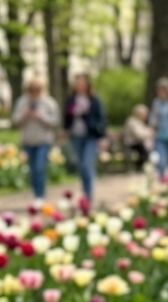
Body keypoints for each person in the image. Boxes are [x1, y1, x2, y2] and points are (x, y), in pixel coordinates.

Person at [12, 77, 60, 200]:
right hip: (27, 141)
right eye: (31, 89)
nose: (34, 92)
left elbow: (55, 122)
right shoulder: (22, 102)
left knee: (39, 168)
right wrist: (24, 115)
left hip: (43, 141)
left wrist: (41, 117)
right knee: (33, 170)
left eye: (37, 89)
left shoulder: (49, 102)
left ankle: (40, 196)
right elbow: (15, 122)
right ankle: (36, 195)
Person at [64, 74, 106, 208]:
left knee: (87, 165)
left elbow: (101, 119)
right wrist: (65, 129)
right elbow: (66, 118)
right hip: (76, 136)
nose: (80, 86)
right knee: (81, 166)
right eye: (78, 83)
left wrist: (102, 137)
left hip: (91, 136)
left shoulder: (94, 100)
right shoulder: (71, 100)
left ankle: (88, 196)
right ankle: (84, 193)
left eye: (83, 83)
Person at [122, 104, 154, 171]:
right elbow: (139, 135)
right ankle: (141, 167)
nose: (146, 116)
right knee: (144, 149)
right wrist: (150, 133)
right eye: (145, 114)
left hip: (138, 143)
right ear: (139, 114)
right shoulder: (132, 121)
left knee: (148, 147)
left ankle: (143, 166)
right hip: (131, 144)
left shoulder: (139, 122)